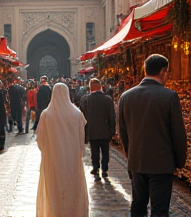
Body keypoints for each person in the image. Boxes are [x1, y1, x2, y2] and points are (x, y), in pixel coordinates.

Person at [118, 54, 187, 217]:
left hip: (137, 161)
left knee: (138, 205)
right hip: (162, 163)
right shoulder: (169, 96)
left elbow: (122, 132)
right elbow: (178, 133)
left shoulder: (126, 97)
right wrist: (179, 161)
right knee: (159, 209)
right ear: (163, 71)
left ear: (144, 70)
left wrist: (130, 156)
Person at [36, 82, 89, 217]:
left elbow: (40, 139)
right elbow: (82, 138)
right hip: (72, 157)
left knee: (54, 187)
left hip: (52, 157)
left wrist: (47, 150)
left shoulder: (46, 115)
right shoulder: (76, 114)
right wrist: (78, 151)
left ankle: (54, 212)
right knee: (72, 185)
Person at [80, 77, 116, 182]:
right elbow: (111, 116)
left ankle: (96, 169)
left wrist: (84, 132)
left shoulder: (85, 99)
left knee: (94, 152)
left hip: (91, 131)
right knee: (105, 151)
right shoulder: (107, 99)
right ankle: (104, 169)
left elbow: (82, 117)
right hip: (105, 130)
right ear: (100, 86)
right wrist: (112, 130)